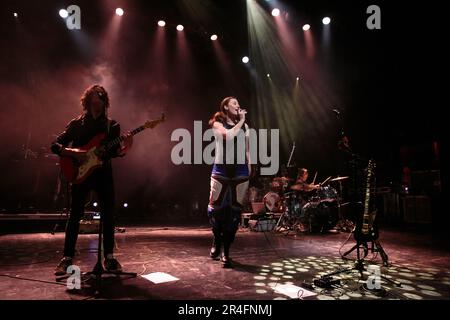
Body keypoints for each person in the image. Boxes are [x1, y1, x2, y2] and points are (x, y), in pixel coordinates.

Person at [51, 84, 133, 276]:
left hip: (103, 174)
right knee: (75, 215)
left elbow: (113, 152)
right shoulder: (77, 124)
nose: (99, 98)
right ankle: (67, 258)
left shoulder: (112, 125)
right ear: (88, 100)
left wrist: (126, 148)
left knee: (108, 215)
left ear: (105, 101)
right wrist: (71, 152)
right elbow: (55, 145)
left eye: (102, 96)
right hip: (80, 173)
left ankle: (109, 257)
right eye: (96, 96)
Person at [207, 97, 250, 268]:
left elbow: (247, 149)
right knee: (215, 209)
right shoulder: (217, 123)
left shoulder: (245, 127)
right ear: (225, 106)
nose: (237, 105)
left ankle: (226, 250)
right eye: (234, 103)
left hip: (240, 170)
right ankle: (217, 239)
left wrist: (249, 166)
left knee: (234, 212)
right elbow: (229, 136)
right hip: (221, 169)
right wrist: (242, 121)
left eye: (238, 103)